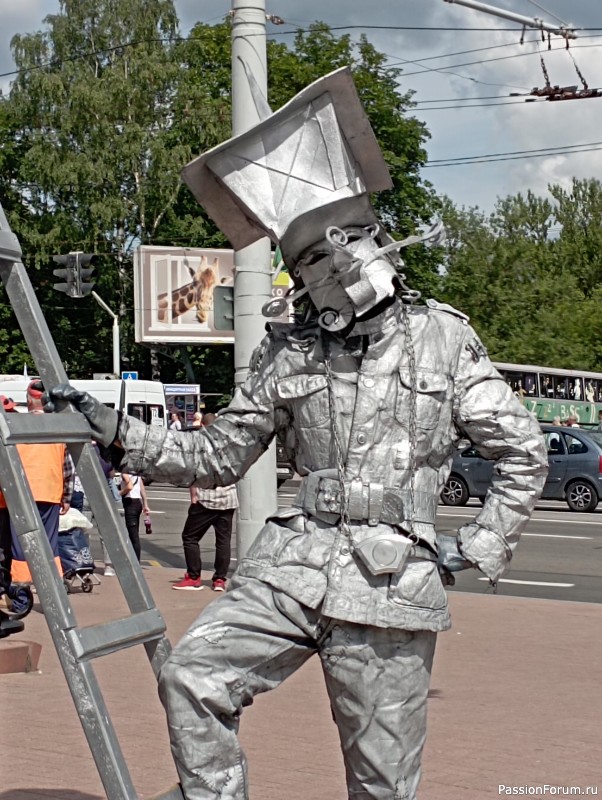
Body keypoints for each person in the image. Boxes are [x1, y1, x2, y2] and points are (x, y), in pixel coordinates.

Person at [46, 68, 547, 800]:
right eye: (302, 263)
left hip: (392, 587)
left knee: (381, 784)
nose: (315, 278)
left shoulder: (442, 340)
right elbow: (214, 454)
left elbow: (523, 454)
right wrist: (117, 428)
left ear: (368, 247)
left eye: (326, 256)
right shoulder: (290, 352)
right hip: (292, 569)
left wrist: (478, 545)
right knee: (193, 675)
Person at [0, 379, 73, 584]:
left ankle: (21, 595)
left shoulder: (16, 427)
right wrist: (66, 496)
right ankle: (54, 592)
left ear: (28, 401)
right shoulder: (58, 428)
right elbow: (67, 467)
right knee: (49, 546)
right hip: (50, 492)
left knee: (21, 545)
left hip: (21, 495)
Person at [172, 413, 238, 592]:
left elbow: (193, 471)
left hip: (206, 498)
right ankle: (219, 580)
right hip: (229, 499)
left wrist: (193, 496)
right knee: (223, 541)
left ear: (203, 426)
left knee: (190, 537)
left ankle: (194, 577)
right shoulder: (230, 446)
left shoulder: (201, 445)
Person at [118, 471, 150, 563]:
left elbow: (129, 486)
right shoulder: (136, 473)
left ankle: (135, 562)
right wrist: (145, 505)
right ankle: (134, 560)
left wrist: (119, 493)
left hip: (130, 504)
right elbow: (142, 489)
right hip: (137, 504)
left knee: (133, 536)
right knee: (134, 534)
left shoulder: (125, 473)